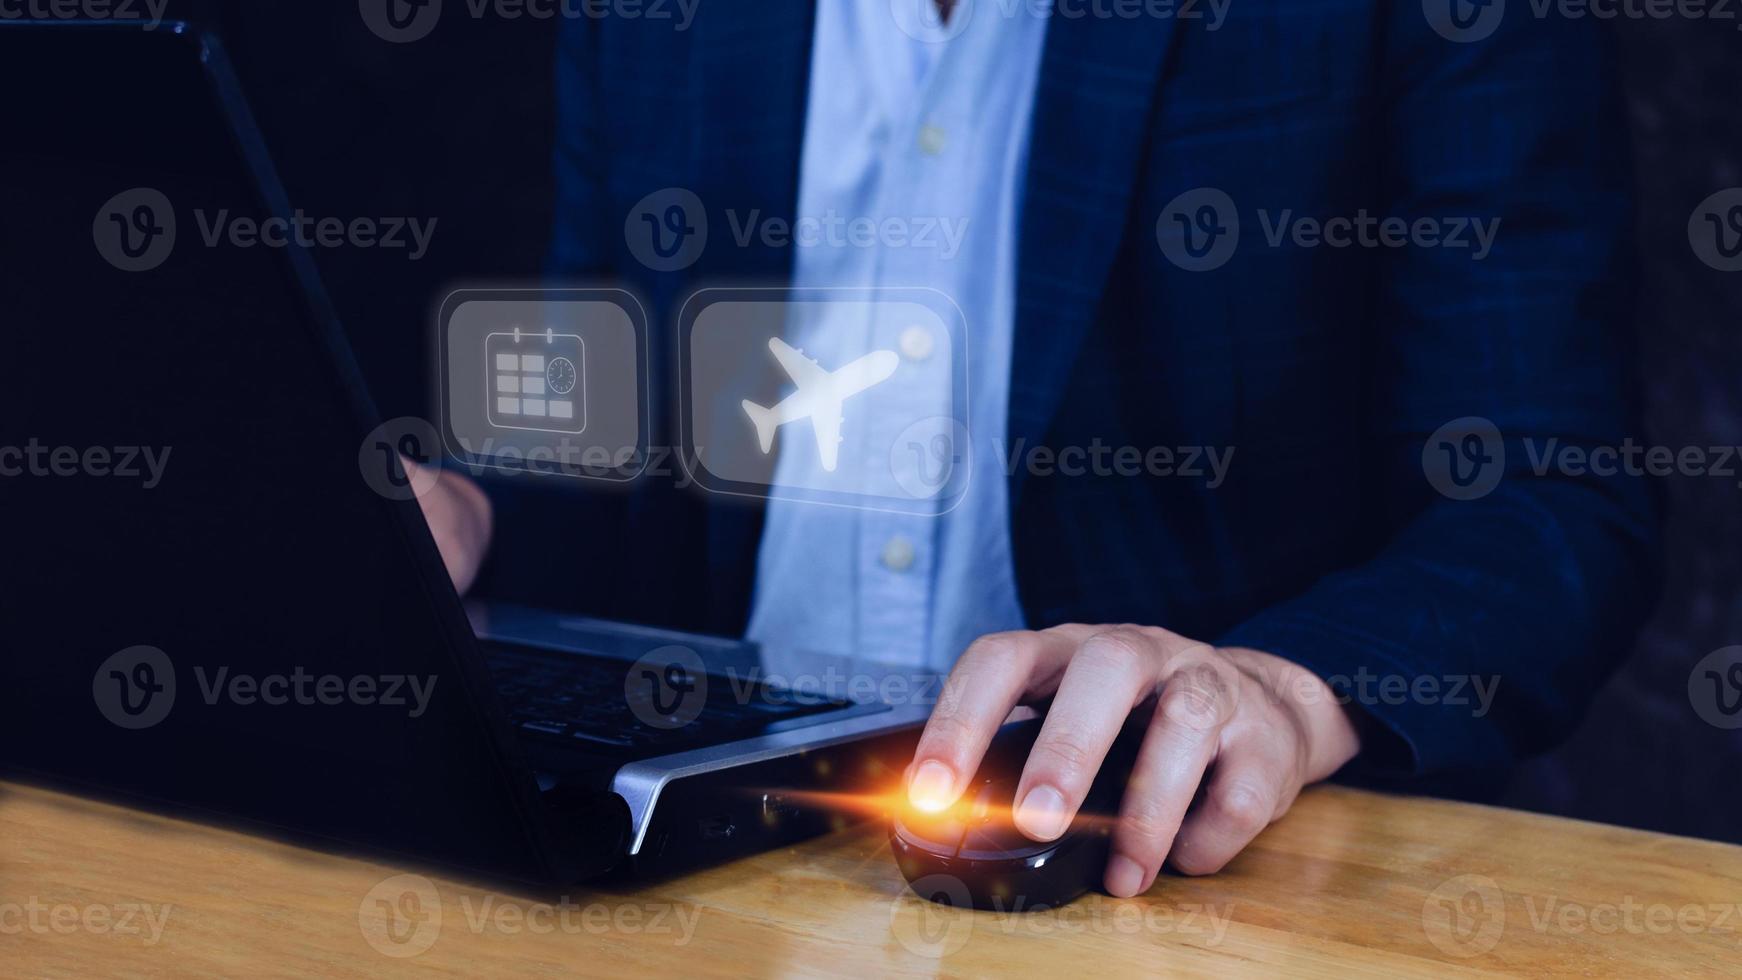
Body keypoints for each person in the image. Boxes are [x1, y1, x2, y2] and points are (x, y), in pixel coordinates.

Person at [413, 1, 1657, 898]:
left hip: (1173, 894)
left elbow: (1545, 498)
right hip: (707, 867)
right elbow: (610, 425)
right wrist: (476, 513)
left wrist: (1279, 688)